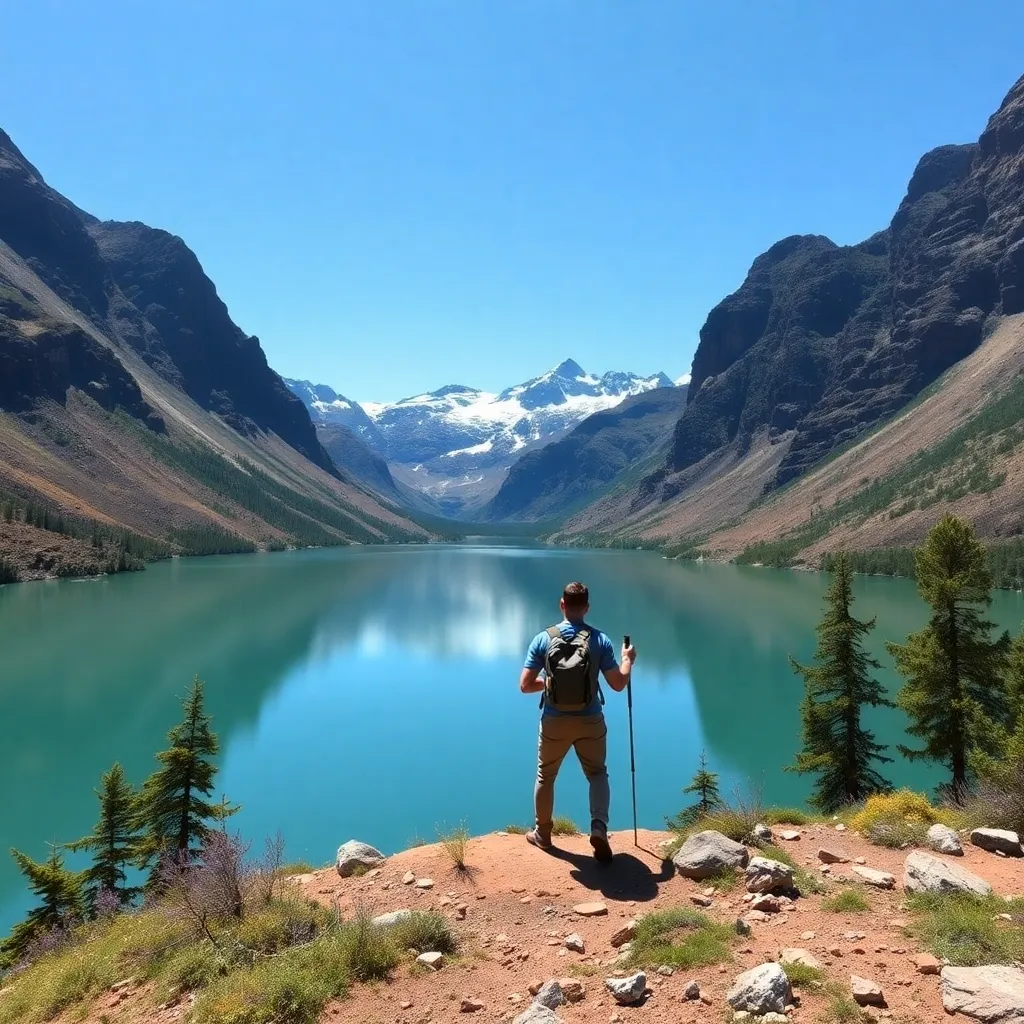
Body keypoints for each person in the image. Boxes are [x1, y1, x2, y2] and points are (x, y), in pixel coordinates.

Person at [519, 581, 636, 861]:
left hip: (554, 721)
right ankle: (598, 827)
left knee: (545, 775)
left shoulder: (543, 639)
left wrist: (548, 682)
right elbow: (618, 684)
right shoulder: (600, 640)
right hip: (590, 720)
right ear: (586, 607)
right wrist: (627, 659)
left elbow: (525, 685)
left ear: (562, 604)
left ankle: (543, 834)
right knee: (597, 774)